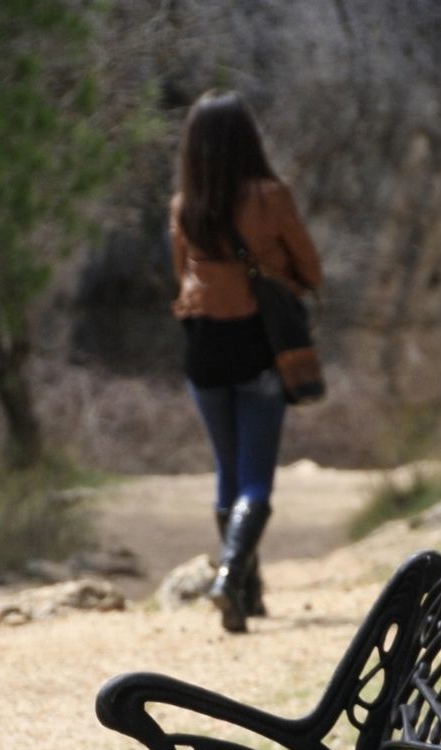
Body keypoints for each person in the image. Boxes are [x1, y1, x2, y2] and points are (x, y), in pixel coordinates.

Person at [170, 90, 322, 633]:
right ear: (247, 139)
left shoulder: (185, 205)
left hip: (203, 352)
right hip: (260, 346)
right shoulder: (269, 196)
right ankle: (233, 576)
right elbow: (312, 268)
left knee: (227, 474)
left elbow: (181, 278)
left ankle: (248, 595)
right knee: (255, 481)